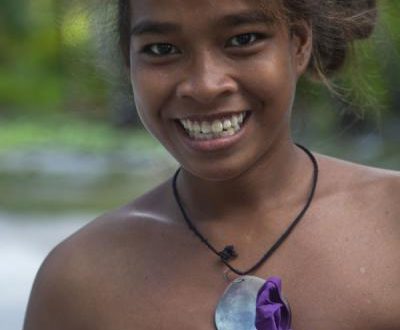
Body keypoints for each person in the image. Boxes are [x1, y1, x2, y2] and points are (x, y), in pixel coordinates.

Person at [23, 0, 400, 329]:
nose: (204, 85)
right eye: (162, 48)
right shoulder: (78, 281)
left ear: (299, 45)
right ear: (129, 61)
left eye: (243, 39)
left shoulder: (391, 222)